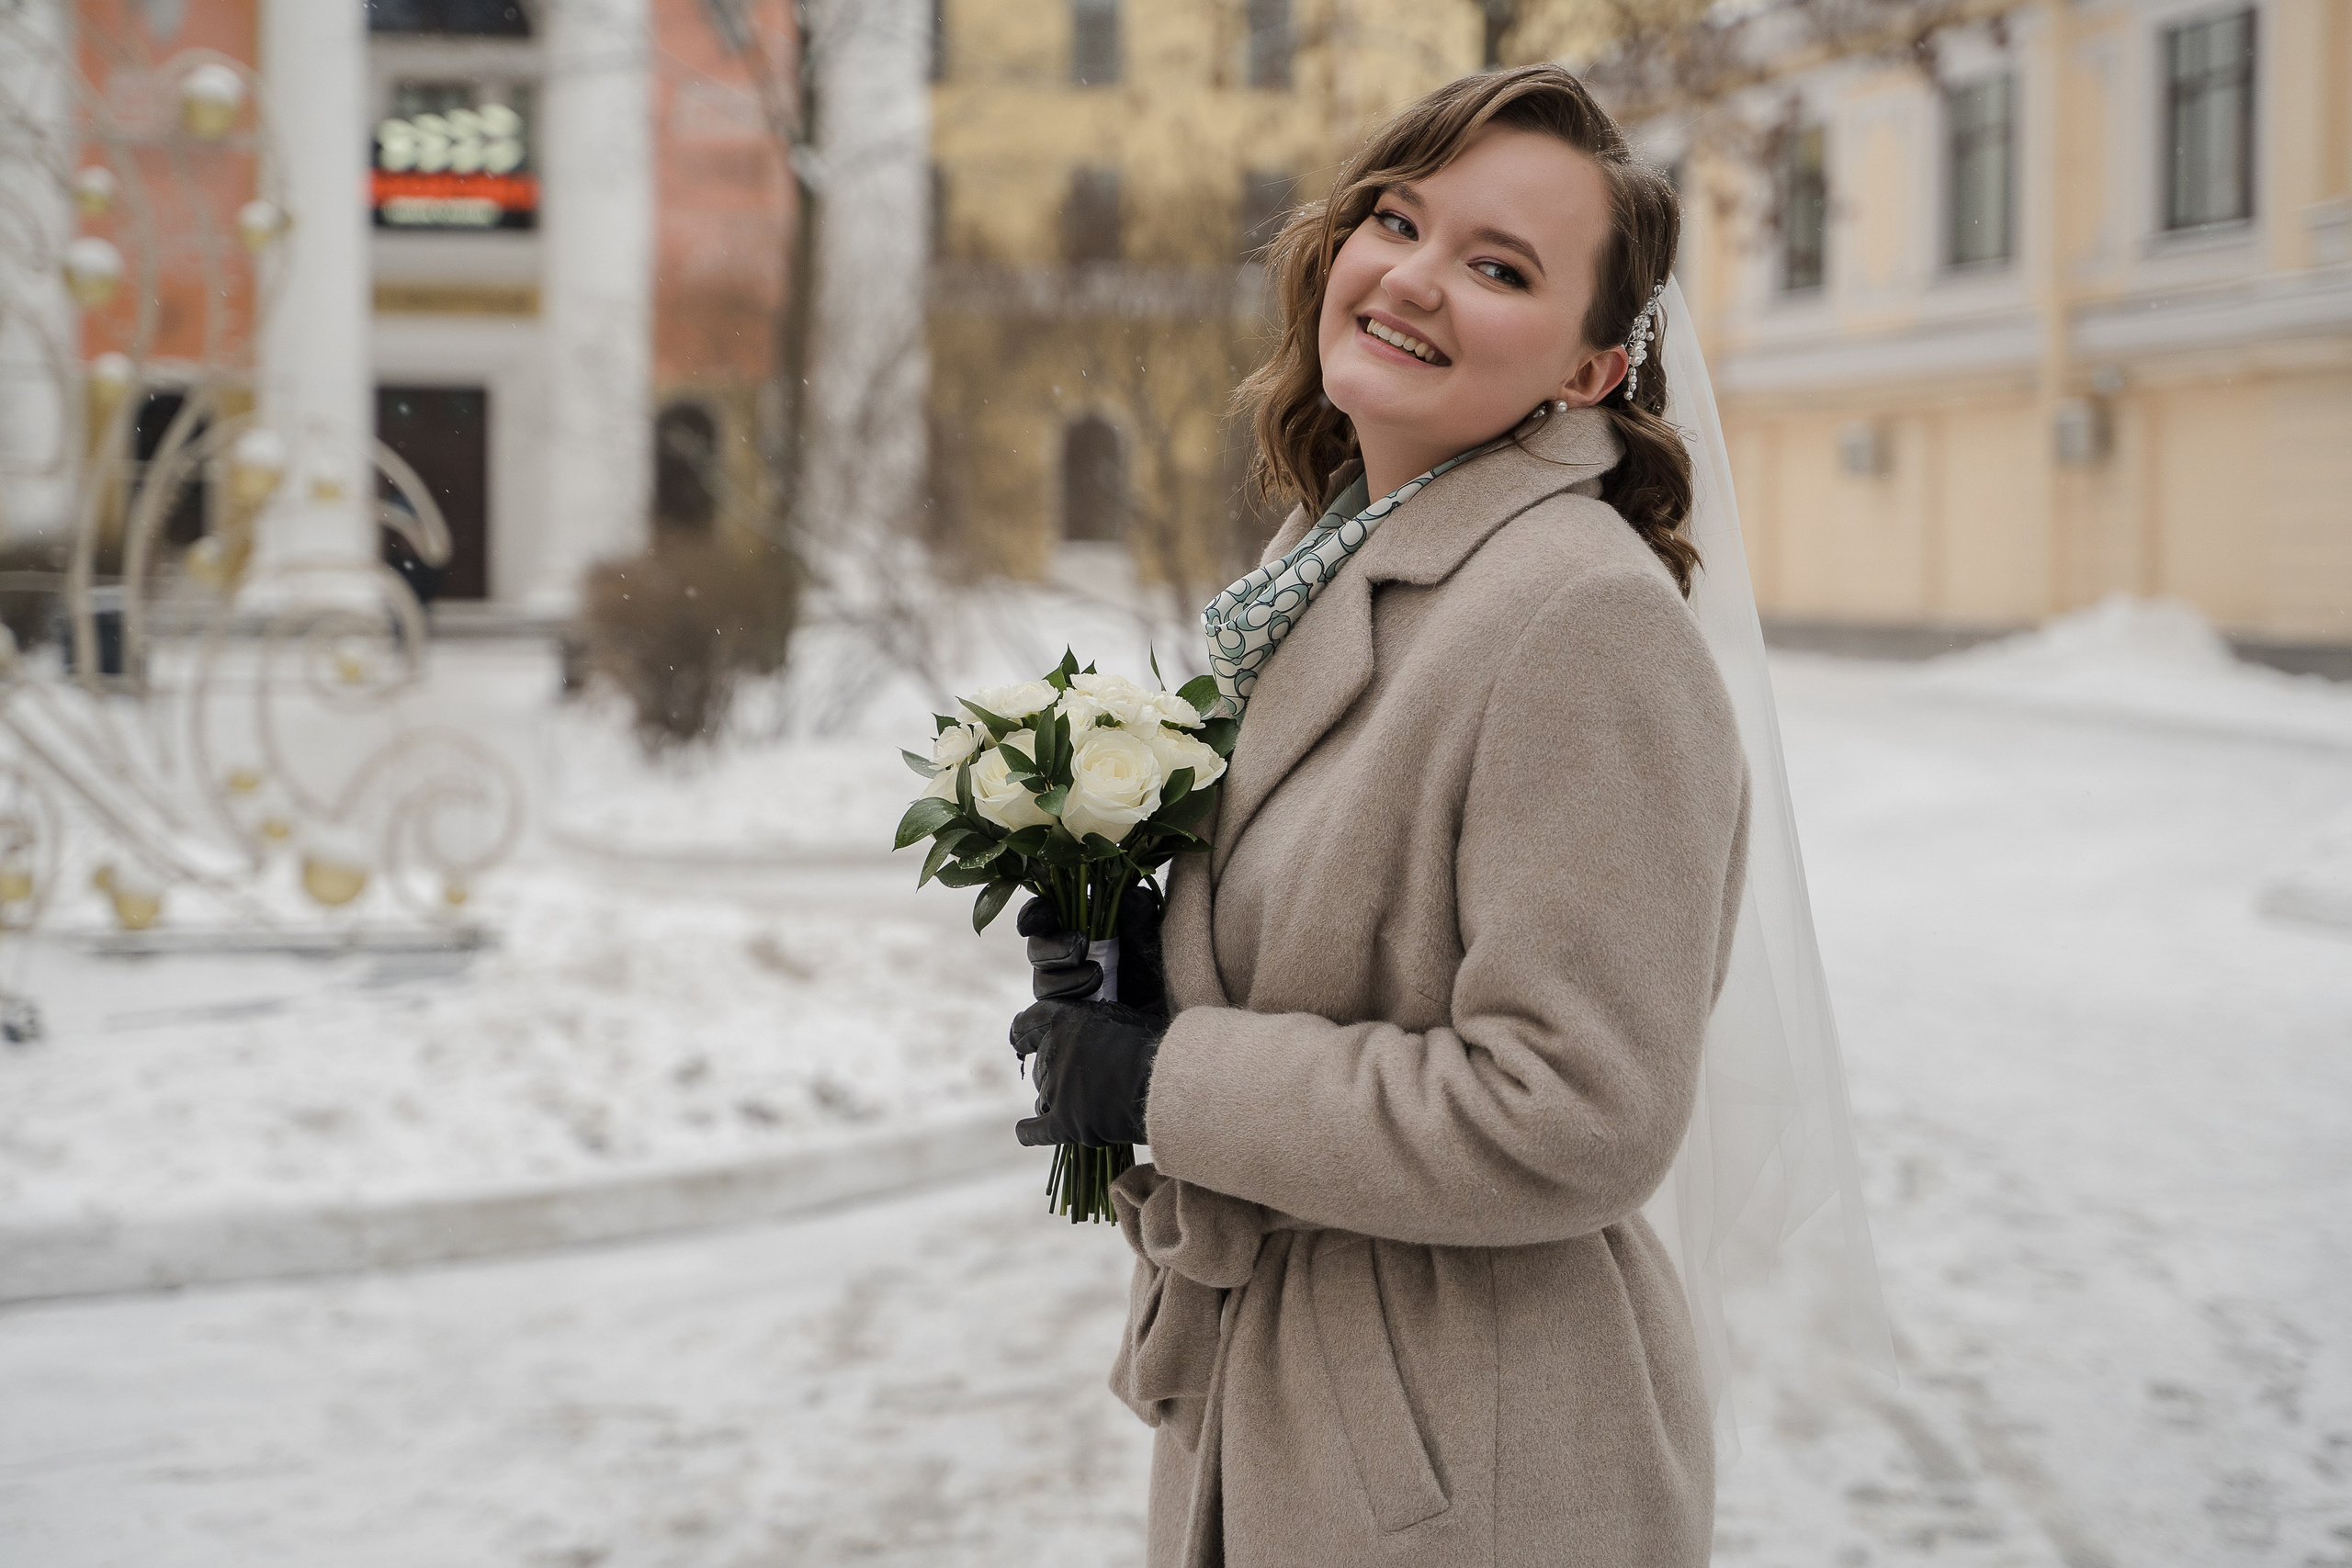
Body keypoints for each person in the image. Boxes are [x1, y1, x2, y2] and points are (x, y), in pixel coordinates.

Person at [1013, 65, 1757, 1567]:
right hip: (1314, 1419)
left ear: (1593, 370)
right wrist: (1137, 955)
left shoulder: (1579, 619)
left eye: (1499, 268)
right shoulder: (1343, 554)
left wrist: (1166, 1076)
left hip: (1466, 1458)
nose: (1413, 279)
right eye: (1398, 220)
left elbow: (1578, 1113)